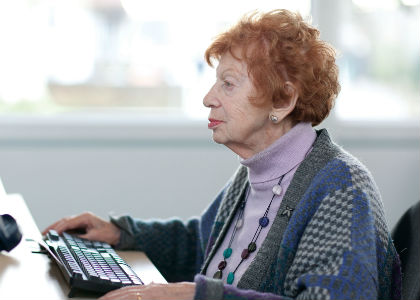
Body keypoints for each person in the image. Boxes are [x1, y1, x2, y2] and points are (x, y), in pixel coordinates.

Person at [43, 9, 401, 300]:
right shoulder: (256, 174)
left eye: (228, 84)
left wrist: (194, 296)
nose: (209, 98)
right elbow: (203, 242)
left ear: (283, 100)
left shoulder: (340, 187)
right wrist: (121, 234)